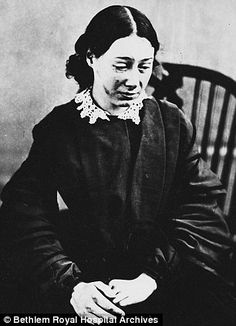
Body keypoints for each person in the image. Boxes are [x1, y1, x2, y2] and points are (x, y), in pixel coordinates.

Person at [0, 5, 235, 325]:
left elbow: (202, 210)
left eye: (144, 67)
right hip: (88, 273)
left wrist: (152, 276)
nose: (135, 81)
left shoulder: (171, 123)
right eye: (122, 65)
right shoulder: (60, 129)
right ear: (92, 58)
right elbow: (25, 215)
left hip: (163, 267)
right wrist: (72, 284)